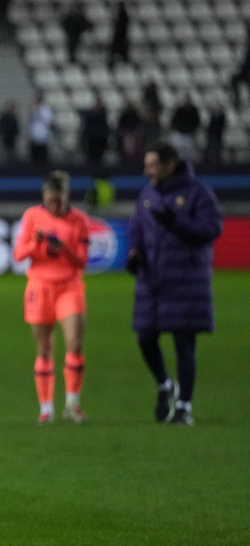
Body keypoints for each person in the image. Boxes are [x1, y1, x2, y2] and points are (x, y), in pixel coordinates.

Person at [126, 142, 223, 426]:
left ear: (170, 165)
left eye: (152, 165)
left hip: (186, 281)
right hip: (151, 280)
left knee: (184, 342)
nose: (146, 171)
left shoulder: (198, 192)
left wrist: (176, 222)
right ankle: (165, 385)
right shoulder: (147, 194)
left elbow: (212, 229)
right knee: (144, 336)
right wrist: (134, 254)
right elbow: (137, 229)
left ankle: (184, 407)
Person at [13, 171, 91, 425]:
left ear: (67, 196)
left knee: (74, 344)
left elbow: (82, 260)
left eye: (59, 200)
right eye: (50, 200)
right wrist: (36, 243)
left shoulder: (79, 220)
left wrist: (64, 249)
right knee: (44, 348)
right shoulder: (32, 216)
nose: (54, 206)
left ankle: (72, 403)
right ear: (44, 197)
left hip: (69, 286)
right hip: (40, 287)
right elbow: (19, 254)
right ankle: (46, 408)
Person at [27, 92, 54, 163]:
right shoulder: (32, 110)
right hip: (34, 137)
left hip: (42, 137)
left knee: (42, 158)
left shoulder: (45, 110)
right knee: (34, 158)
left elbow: (49, 122)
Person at [108, 1, 129, 68]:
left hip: (119, 38)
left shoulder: (122, 16)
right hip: (120, 38)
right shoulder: (123, 15)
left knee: (115, 51)